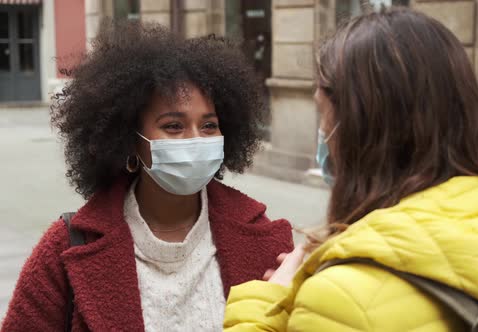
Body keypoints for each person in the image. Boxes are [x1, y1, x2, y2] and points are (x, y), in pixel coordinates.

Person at [223, 7, 478, 331]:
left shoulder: (341, 298)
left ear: (357, 127)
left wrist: (270, 299)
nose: (323, 133)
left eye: (322, 112)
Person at [2, 21, 293, 331]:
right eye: (173, 126)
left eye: (208, 126)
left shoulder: (265, 239)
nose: (195, 139)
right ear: (130, 139)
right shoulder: (66, 248)